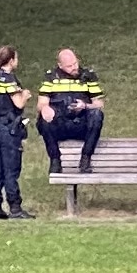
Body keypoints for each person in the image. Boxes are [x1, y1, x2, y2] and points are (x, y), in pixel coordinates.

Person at [38, 46, 104, 177]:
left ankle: (85, 159)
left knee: (97, 114)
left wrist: (85, 105)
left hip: (81, 124)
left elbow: (99, 103)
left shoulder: (87, 76)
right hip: (60, 123)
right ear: (60, 66)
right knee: (43, 119)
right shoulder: (51, 78)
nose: (74, 67)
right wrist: (45, 108)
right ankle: (55, 160)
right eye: (69, 66)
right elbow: (41, 102)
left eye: (75, 63)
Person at [0, 45, 33, 219]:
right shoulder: (9, 79)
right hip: (9, 129)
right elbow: (18, 103)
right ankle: (15, 207)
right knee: (11, 170)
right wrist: (25, 95)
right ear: (11, 60)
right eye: (16, 58)